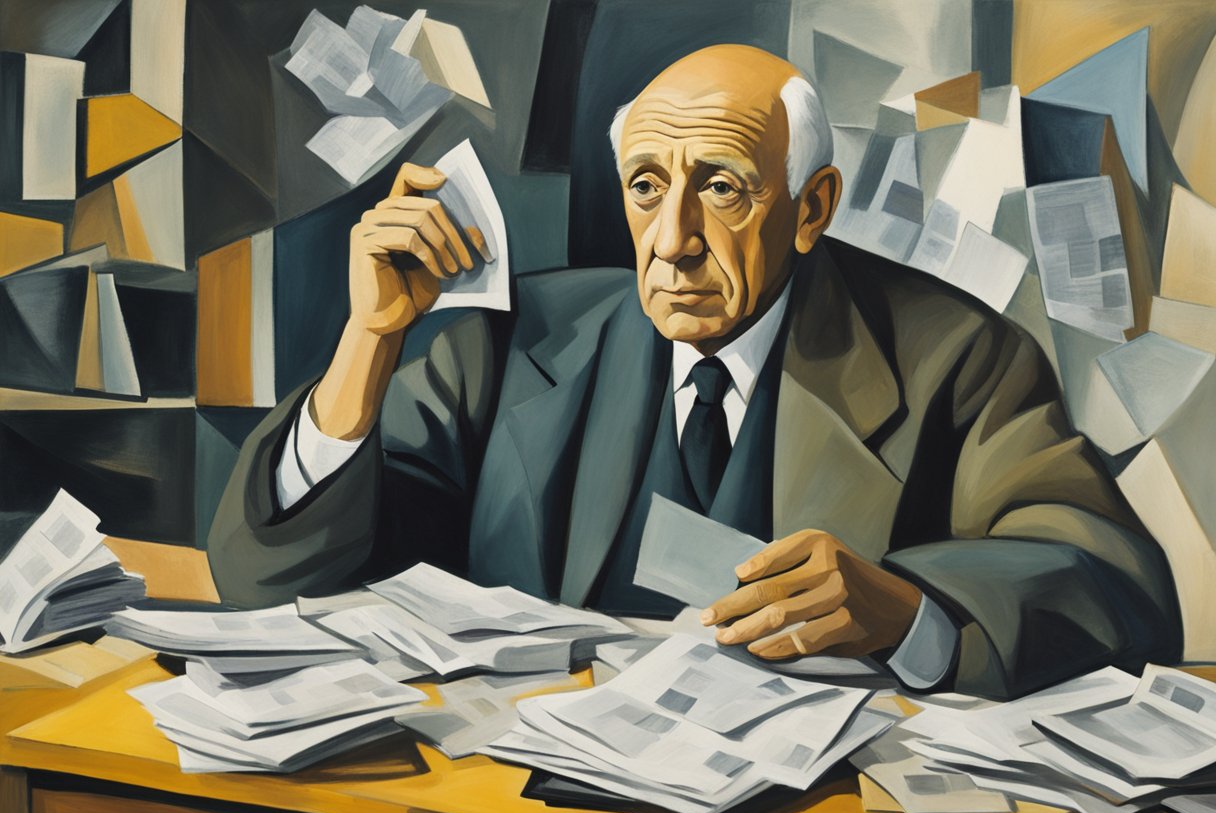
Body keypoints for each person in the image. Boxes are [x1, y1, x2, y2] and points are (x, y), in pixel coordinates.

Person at [209, 44, 1180, 699]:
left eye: (718, 185)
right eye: (645, 187)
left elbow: (1113, 578)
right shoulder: (508, 346)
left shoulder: (950, 357)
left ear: (810, 206)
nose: (669, 242)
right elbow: (266, 576)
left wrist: (911, 609)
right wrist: (369, 341)